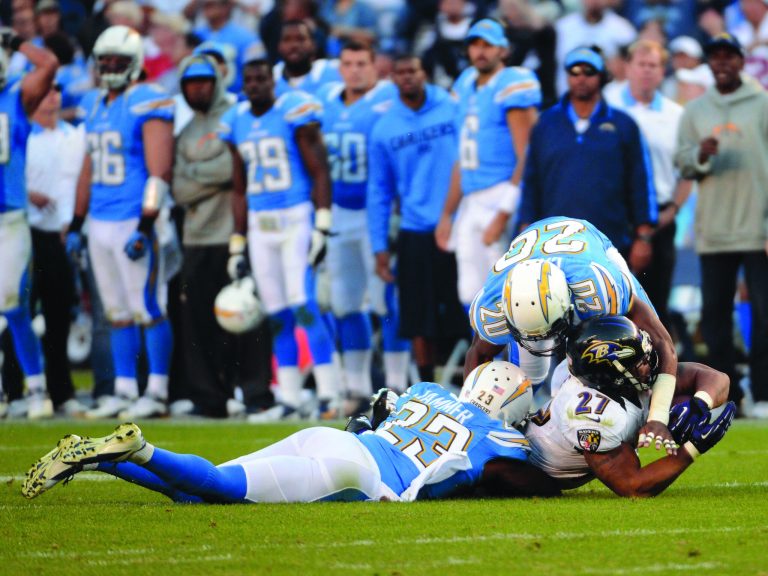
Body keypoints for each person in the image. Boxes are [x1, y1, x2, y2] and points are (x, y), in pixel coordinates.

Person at [22, 361, 558, 502]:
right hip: (359, 475)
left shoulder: (426, 390)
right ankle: (139, 448)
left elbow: (368, 415)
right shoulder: (501, 439)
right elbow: (527, 478)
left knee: (202, 493)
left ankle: (102, 458)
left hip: (335, 441)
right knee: (220, 487)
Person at [466, 217, 679, 452]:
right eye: (532, 334)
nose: (543, 341)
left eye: (549, 331)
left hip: (586, 246)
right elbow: (478, 355)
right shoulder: (492, 307)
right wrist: (470, 423)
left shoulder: (599, 288)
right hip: (538, 263)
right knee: (524, 379)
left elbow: (662, 342)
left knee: (640, 356)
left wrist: (658, 417)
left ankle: (627, 427)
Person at [66, 25, 175, 419]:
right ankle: (125, 390)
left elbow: (159, 169)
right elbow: (87, 168)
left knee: (148, 305)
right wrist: (76, 222)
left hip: (133, 217)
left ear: (135, 64)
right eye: (105, 60)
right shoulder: (93, 104)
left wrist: (146, 225)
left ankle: (157, 391)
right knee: (116, 310)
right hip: (99, 219)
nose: (111, 66)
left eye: (119, 60)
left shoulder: (148, 99)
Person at [220, 58, 338, 421]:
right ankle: (288, 396)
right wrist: (237, 241)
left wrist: (321, 224)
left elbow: (319, 170)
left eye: (261, 78)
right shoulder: (236, 120)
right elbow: (238, 189)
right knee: (275, 313)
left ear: (272, 81)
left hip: (295, 217)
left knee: (304, 306)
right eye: (249, 79)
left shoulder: (292, 111)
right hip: (260, 223)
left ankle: (330, 394)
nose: (254, 85)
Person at [524, 315, 736, 497]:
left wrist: (699, 405)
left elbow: (716, 378)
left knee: (684, 404)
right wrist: (693, 449)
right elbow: (632, 486)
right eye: (639, 361)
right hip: (533, 472)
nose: (650, 361)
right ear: (612, 375)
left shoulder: (628, 378)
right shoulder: (589, 414)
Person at [172, 53, 273, 418]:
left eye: (204, 81)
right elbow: (178, 189)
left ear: (216, 83)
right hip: (196, 237)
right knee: (197, 322)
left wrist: (197, 171)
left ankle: (256, 393)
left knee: (245, 318)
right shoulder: (186, 131)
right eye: (190, 83)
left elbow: (237, 166)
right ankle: (208, 397)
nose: (197, 88)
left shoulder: (236, 115)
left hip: (232, 232)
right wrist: (212, 173)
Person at [675, 33, 768, 416]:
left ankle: (763, 393)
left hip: (758, 228)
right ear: (710, 64)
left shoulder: (762, 103)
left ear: (741, 61)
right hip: (713, 229)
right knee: (714, 314)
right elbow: (681, 162)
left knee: (764, 313)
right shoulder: (696, 110)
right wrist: (699, 155)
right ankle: (727, 395)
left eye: (729, 56)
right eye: (716, 57)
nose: (723, 63)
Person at [317, 41, 409, 414]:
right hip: (339, 212)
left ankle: (397, 386)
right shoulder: (325, 100)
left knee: (387, 302)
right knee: (344, 303)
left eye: (361, 63)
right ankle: (356, 387)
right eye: (348, 63)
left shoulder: (387, 99)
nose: (354, 70)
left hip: (377, 212)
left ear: (375, 68)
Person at [367, 55, 468, 384]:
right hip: (414, 229)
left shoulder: (452, 108)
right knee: (416, 317)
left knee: (467, 309)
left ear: (424, 73)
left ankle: (474, 382)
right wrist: (379, 245)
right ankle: (426, 386)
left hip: (458, 223)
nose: (408, 77)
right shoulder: (384, 127)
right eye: (400, 72)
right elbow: (379, 191)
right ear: (392, 78)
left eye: (413, 70)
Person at [518, 46, 657, 271]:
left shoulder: (623, 125)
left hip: (609, 241)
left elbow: (640, 183)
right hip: (553, 242)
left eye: (589, 71)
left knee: (610, 305)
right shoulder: (545, 124)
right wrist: (525, 232)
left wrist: (644, 237)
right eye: (574, 72)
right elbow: (531, 182)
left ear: (601, 77)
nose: (581, 78)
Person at [436, 18, 540, 313]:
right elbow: (462, 157)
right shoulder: (465, 85)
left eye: (488, 45)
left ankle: (516, 359)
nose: (480, 51)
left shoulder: (510, 84)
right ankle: (488, 359)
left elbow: (528, 154)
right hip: (472, 198)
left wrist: (504, 211)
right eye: (475, 44)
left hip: (502, 192)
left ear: (503, 50)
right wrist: (447, 213)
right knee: (471, 292)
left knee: (511, 294)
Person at [605, 40, 691, 329]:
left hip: (660, 220)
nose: (646, 71)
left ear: (662, 71)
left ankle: (658, 372)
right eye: (640, 64)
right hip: (614, 219)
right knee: (608, 306)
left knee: (654, 309)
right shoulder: (607, 106)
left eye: (653, 65)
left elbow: (687, 171)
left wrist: (674, 210)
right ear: (627, 68)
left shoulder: (676, 115)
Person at [0, 28, 58, 419]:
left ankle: (37, 390)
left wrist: (16, 38)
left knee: (11, 302)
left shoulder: (14, 97)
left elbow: (49, 63)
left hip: (9, 216)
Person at [25, 81, 87, 416]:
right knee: (18, 312)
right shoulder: (23, 135)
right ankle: (17, 388)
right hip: (26, 231)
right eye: (46, 90)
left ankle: (61, 391)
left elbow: (76, 182)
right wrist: (27, 191)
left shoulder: (74, 137)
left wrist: (72, 223)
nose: (52, 96)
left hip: (60, 234)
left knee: (58, 315)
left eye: (56, 90)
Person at [273, 19, 341, 97]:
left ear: (313, 45)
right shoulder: (271, 77)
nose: (294, 45)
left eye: (300, 39)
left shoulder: (335, 70)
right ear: (279, 46)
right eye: (287, 39)